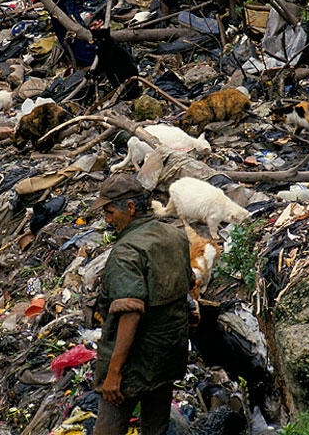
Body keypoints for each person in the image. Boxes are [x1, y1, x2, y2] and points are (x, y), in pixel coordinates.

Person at [91, 174, 193, 435]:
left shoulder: (127, 252)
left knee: (109, 428)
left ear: (131, 208)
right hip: (168, 356)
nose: (108, 220)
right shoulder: (175, 237)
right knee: (155, 428)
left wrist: (114, 372)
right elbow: (187, 285)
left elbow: (131, 314)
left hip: (133, 363)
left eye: (110, 212)